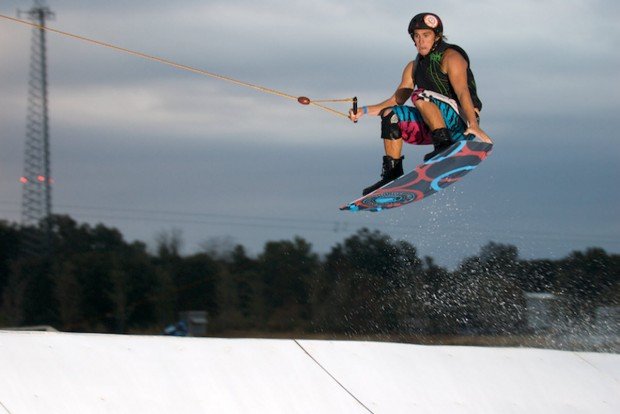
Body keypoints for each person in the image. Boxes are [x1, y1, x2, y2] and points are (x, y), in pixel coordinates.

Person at [349, 12, 493, 196]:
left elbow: (463, 92)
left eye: (426, 35)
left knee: (419, 94)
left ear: (437, 36)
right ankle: (392, 174)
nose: (421, 41)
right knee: (390, 114)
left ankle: (444, 147)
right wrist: (363, 111)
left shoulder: (451, 57)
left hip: (461, 123)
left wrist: (473, 124)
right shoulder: (413, 66)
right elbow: (396, 100)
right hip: (432, 123)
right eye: (416, 36)